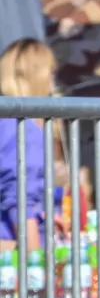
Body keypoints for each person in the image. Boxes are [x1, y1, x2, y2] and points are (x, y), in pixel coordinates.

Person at [0, 39, 56, 251]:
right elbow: (19, 199)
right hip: (13, 255)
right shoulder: (23, 128)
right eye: (50, 72)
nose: (53, 81)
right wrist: (35, 263)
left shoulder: (9, 123)